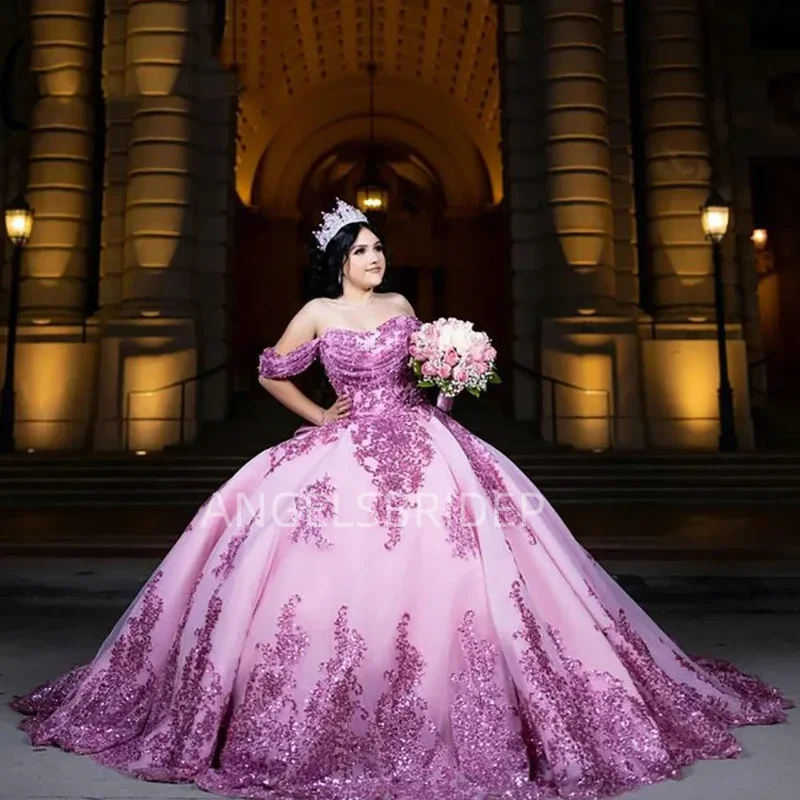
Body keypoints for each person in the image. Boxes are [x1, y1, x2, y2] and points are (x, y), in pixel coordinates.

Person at [10, 198, 794, 800]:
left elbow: (425, 376)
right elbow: (269, 370)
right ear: (337, 261)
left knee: (469, 568)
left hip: (424, 442)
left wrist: (451, 382)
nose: (376, 258)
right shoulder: (319, 313)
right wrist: (321, 415)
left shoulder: (401, 309)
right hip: (342, 450)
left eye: (380, 247)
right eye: (362, 250)